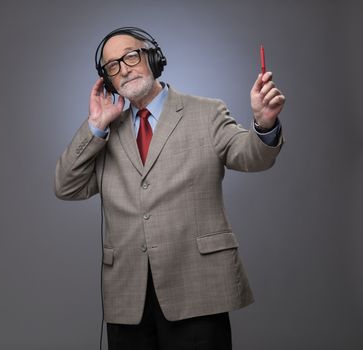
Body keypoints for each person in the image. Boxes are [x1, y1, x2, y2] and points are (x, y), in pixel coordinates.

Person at [54, 27, 285, 350]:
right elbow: (66, 186)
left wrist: (264, 125)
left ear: (151, 57)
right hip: (127, 295)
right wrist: (95, 126)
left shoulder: (206, 112)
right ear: (107, 79)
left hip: (198, 287)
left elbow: (251, 156)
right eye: (112, 66)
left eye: (131, 56)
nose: (124, 69)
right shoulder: (106, 131)